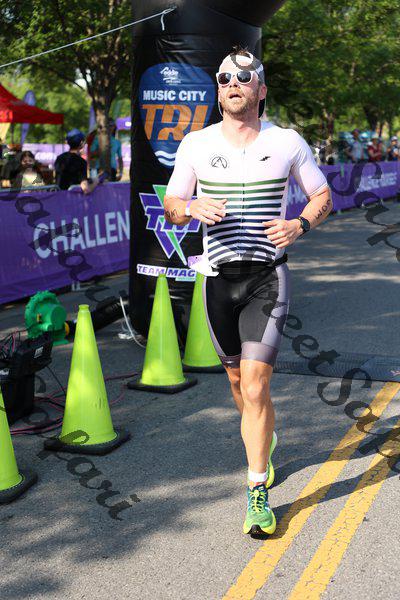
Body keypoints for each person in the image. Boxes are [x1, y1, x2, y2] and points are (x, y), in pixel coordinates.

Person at [164, 47, 332, 536]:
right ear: (218, 92)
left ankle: (257, 490)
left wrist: (299, 224)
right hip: (218, 279)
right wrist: (190, 209)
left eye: (243, 77)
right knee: (238, 384)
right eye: (224, 79)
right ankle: (264, 439)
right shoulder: (196, 144)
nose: (232, 84)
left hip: (266, 277)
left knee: (257, 385)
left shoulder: (286, 141)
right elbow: (172, 204)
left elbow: (322, 195)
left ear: (261, 89)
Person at [54, 129, 98, 193]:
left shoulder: (59, 158)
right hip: (73, 197)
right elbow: (86, 189)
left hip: (59, 196)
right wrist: (96, 182)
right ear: (81, 143)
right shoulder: (81, 162)